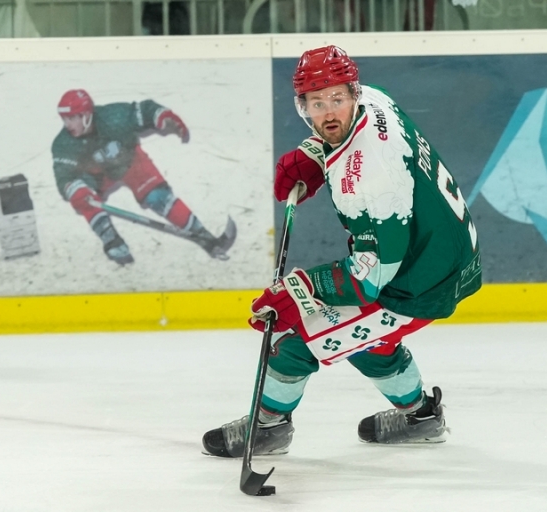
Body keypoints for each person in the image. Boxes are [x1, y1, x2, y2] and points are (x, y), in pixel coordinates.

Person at [202, 45, 481, 457]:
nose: (329, 112)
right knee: (368, 340)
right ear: (304, 107)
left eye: (336, 99)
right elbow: (352, 141)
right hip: (447, 251)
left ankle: (268, 427)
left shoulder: (368, 179)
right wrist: (317, 154)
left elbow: (370, 279)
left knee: (296, 338)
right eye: (317, 102)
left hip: (418, 280)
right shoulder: (376, 98)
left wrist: (300, 291)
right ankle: (421, 418)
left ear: (353, 93)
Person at [51, 89, 233, 265]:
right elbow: (64, 175)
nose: (67, 124)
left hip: (129, 161)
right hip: (97, 174)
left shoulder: (113, 116)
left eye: (72, 118)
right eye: (64, 118)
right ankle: (112, 240)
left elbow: (144, 110)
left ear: (87, 115)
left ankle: (203, 235)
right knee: (84, 198)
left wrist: (164, 117)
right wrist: (74, 190)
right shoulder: (63, 143)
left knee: (157, 197)